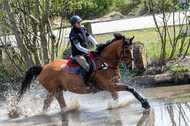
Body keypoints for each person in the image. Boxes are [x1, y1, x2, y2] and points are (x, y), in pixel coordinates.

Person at [69, 15, 98, 91]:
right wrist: (87, 51)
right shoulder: (73, 34)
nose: (79, 23)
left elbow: (90, 37)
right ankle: (86, 84)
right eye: (77, 22)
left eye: (80, 22)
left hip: (85, 53)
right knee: (87, 67)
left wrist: (97, 44)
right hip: (78, 55)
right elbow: (78, 47)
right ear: (73, 24)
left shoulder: (83, 29)